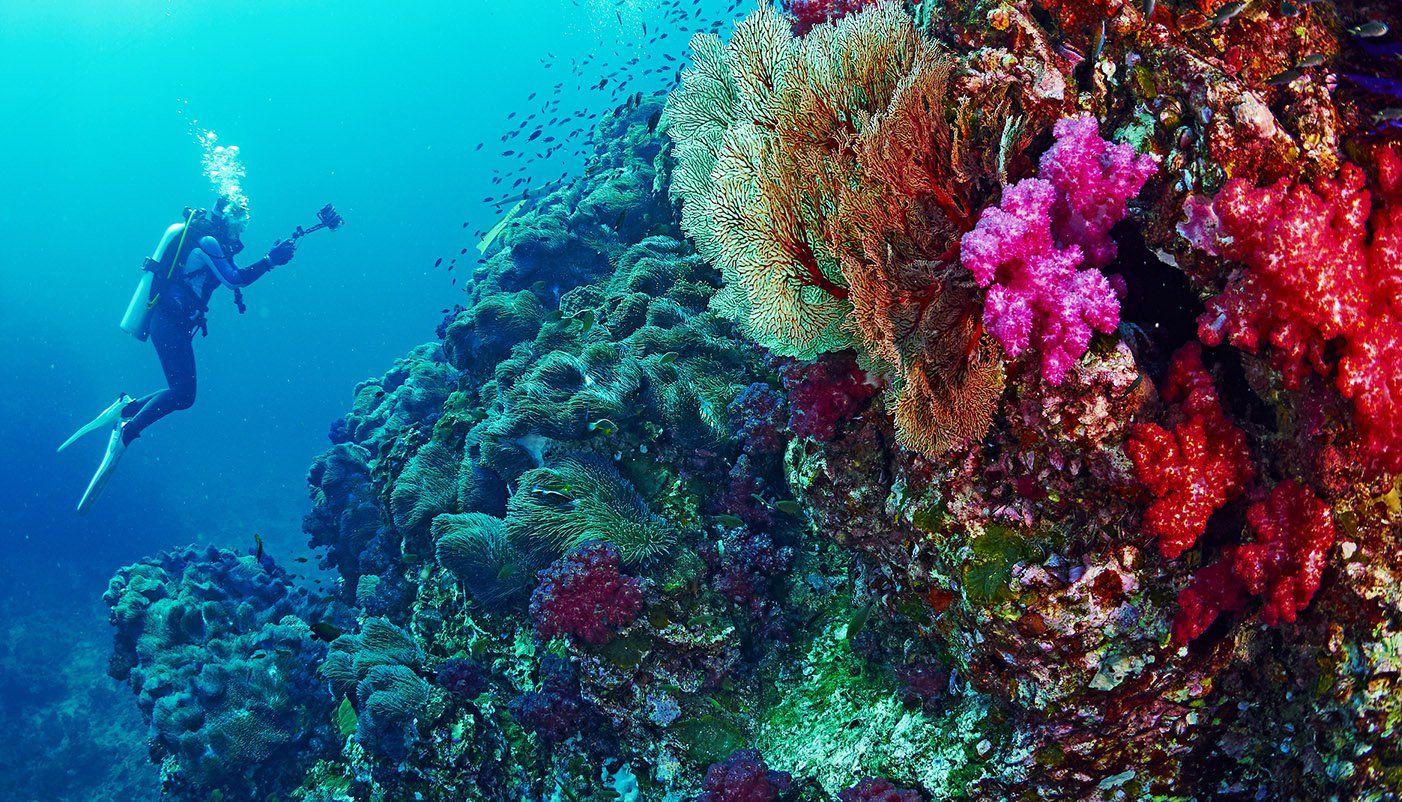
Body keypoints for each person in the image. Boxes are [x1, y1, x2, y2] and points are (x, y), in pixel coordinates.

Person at [60, 197, 296, 513]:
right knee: (183, 394)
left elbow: (229, 272)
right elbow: (233, 279)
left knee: (183, 393)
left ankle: (126, 408)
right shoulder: (209, 240)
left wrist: (269, 258)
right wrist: (270, 260)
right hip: (168, 322)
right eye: (239, 226)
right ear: (228, 221)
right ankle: (126, 432)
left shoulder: (208, 239)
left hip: (172, 323)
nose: (240, 235)